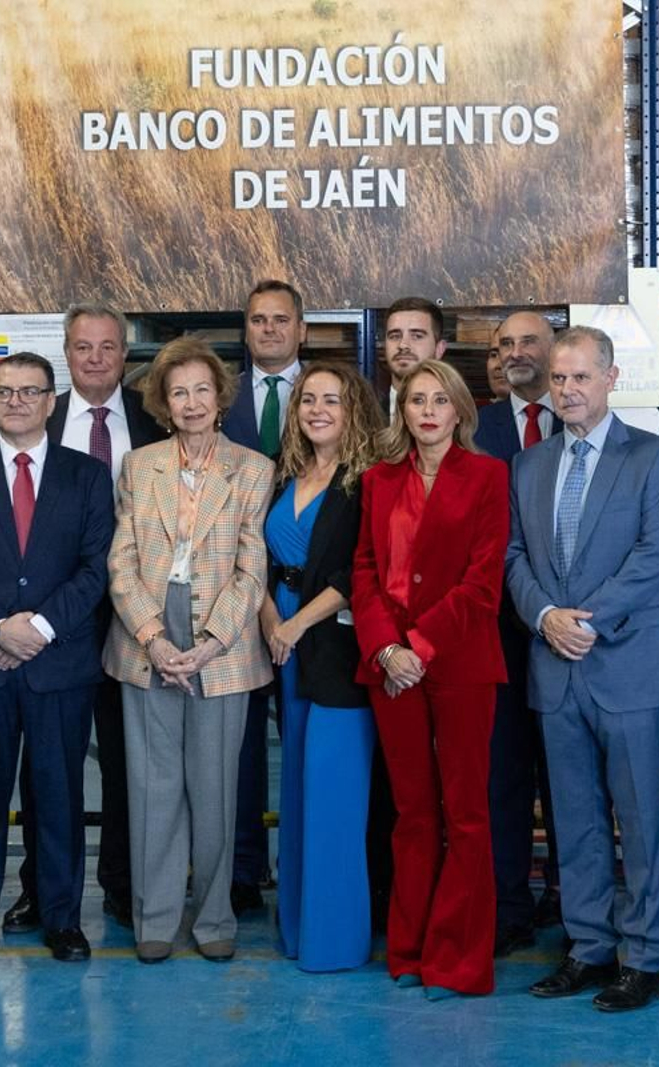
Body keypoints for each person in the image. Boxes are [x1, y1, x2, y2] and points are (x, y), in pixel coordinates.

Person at [505, 326, 659, 1013]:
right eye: (559, 379)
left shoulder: (654, 458)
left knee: (640, 819)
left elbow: (654, 555)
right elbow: (513, 555)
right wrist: (545, 615)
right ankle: (587, 946)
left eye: (582, 377)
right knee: (574, 818)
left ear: (611, 379)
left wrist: (585, 619)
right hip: (555, 666)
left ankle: (644, 957)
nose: (569, 390)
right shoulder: (529, 466)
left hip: (629, 666)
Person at [0, 352, 114, 963]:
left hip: (59, 664)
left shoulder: (86, 476)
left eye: (28, 392)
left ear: (51, 400)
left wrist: (34, 627)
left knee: (57, 795)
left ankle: (62, 917)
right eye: (4, 392)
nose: (15, 402)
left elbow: (95, 568)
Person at [0, 304, 167, 936]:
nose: (95, 358)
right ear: (65, 355)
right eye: (82, 348)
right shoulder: (41, 415)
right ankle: (40, 891)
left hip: (141, 621)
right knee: (49, 769)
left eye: (108, 347)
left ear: (126, 355)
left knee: (130, 766)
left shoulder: (157, 421)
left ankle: (123, 887)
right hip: (53, 625)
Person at [104, 336, 273, 964]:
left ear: (221, 397)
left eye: (203, 389)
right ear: (163, 403)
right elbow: (120, 562)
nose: (193, 401)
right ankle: (154, 918)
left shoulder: (253, 469)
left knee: (215, 786)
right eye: (180, 391)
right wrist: (151, 635)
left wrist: (206, 644)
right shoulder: (138, 466)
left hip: (221, 645)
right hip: (145, 633)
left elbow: (252, 569)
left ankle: (214, 917)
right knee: (153, 785)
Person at [352, 358, 508, 999]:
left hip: (460, 661)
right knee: (412, 814)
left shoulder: (489, 477)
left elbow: (483, 582)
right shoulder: (379, 481)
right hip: (393, 670)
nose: (426, 412)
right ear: (403, 409)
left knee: (466, 814)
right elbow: (363, 570)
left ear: (459, 411)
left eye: (439, 401)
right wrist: (388, 650)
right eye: (416, 400)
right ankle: (410, 949)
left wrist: (416, 645)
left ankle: (459, 959)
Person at [258, 362, 380, 972]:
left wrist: (297, 623)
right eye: (308, 399)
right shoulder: (285, 472)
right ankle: (298, 929)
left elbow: (360, 572)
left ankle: (334, 940)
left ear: (352, 408)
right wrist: (266, 618)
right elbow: (254, 553)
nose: (316, 410)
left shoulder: (367, 481)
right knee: (299, 786)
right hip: (279, 638)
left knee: (335, 793)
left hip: (333, 643)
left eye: (331, 400)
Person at [474, 310, 564, 956]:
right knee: (502, 774)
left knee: (569, 773)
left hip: (569, 632)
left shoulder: (581, 419)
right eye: (505, 344)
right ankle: (507, 902)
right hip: (495, 630)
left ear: (554, 348)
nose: (516, 352)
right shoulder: (476, 427)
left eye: (528, 340)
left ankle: (571, 899)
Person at [221, 278, 308, 912]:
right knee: (242, 743)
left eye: (281, 320)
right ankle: (244, 871)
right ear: (245, 331)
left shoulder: (330, 394)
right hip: (234, 592)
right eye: (258, 321)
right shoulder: (220, 400)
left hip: (313, 600)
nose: (269, 330)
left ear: (302, 330)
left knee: (311, 737)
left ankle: (308, 869)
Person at [382, 297, 447, 418]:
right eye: (395, 336)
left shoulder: (456, 417)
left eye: (417, 336)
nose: (403, 345)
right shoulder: (363, 417)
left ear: (439, 349)